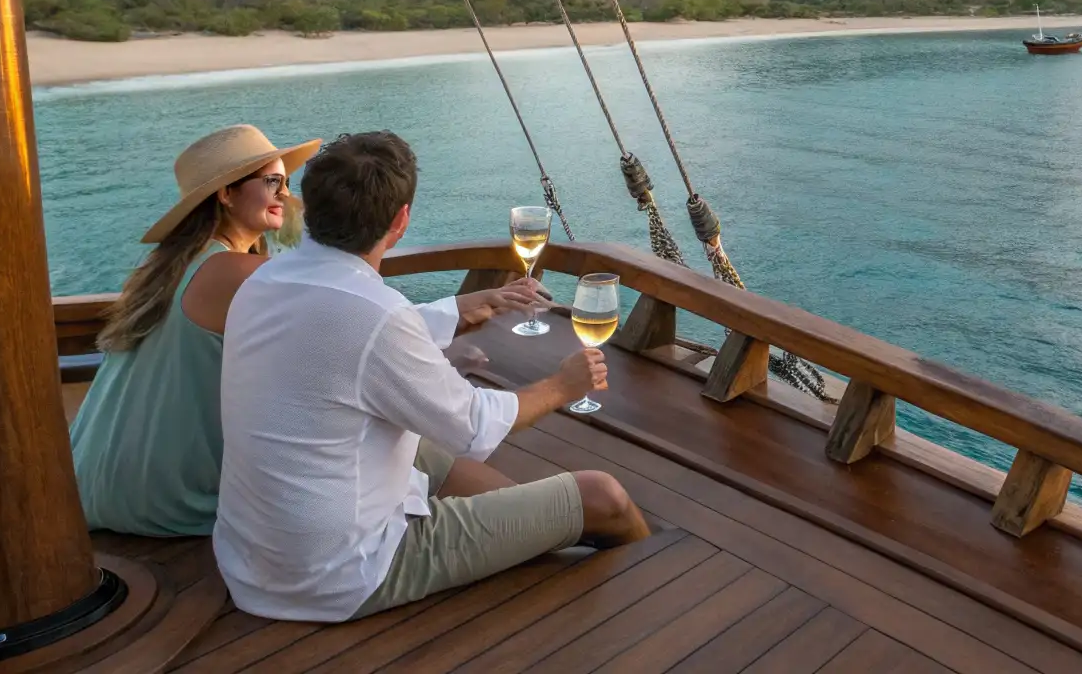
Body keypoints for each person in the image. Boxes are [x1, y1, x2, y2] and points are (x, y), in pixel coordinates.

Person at [214, 131, 651, 621]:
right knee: (603, 496)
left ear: (310, 209)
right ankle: (656, 595)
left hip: (252, 562)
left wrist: (452, 312)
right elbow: (473, 426)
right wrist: (561, 386)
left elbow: (338, 337)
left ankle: (533, 523)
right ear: (400, 221)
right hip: (342, 575)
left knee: (424, 446)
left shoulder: (262, 283)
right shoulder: (377, 317)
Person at [70, 123, 319, 536]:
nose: (286, 196)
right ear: (226, 193)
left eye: (288, 183)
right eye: (273, 181)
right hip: (161, 499)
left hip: (91, 484)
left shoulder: (168, 267)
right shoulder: (236, 272)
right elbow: (338, 322)